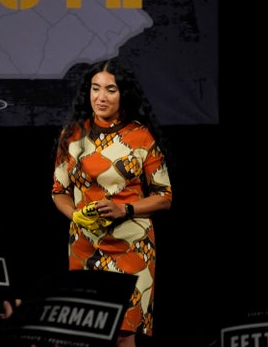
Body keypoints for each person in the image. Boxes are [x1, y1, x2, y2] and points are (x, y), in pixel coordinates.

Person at [50, 58, 173, 347]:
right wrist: (75, 215)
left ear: (123, 94)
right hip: (85, 245)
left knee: (123, 334)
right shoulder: (72, 135)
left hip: (131, 245)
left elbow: (165, 197)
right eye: (95, 89)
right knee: (85, 331)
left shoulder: (140, 136)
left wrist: (124, 208)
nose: (101, 97)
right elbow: (59, 191)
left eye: (110, 90)